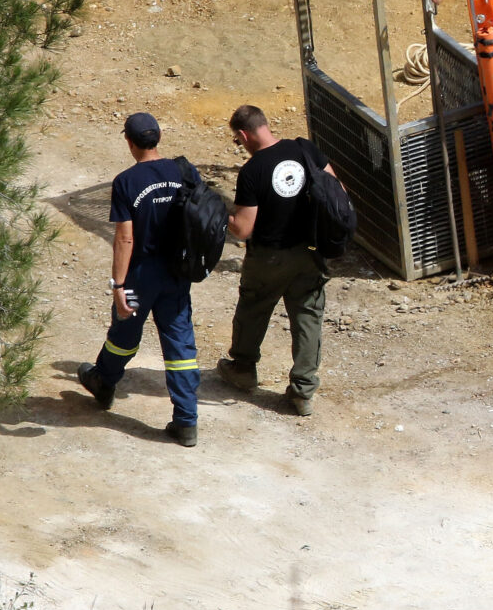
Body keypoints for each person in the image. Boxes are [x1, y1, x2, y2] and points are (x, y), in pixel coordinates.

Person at [78, 113, 202, 446]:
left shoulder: (126, 182)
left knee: (124, 332)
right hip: (177, 272)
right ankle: (186, 422)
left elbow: (125, 239)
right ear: (158, 138)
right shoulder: (184, 172)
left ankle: (104, 383)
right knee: (180, 345)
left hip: (140, 275)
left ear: (129, 142)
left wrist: (118, 285)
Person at [214, 103, 340, 416]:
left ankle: (243, 369)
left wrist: (219, 214)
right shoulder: (305, 150)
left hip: (269, 257)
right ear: (265, 125)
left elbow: (243, 229)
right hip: (310, 253)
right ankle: (303, 391)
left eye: (238, 140)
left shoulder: (253, 171)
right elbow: (337, 191)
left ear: (243, 135)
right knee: (308, 316)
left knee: (254, 308)